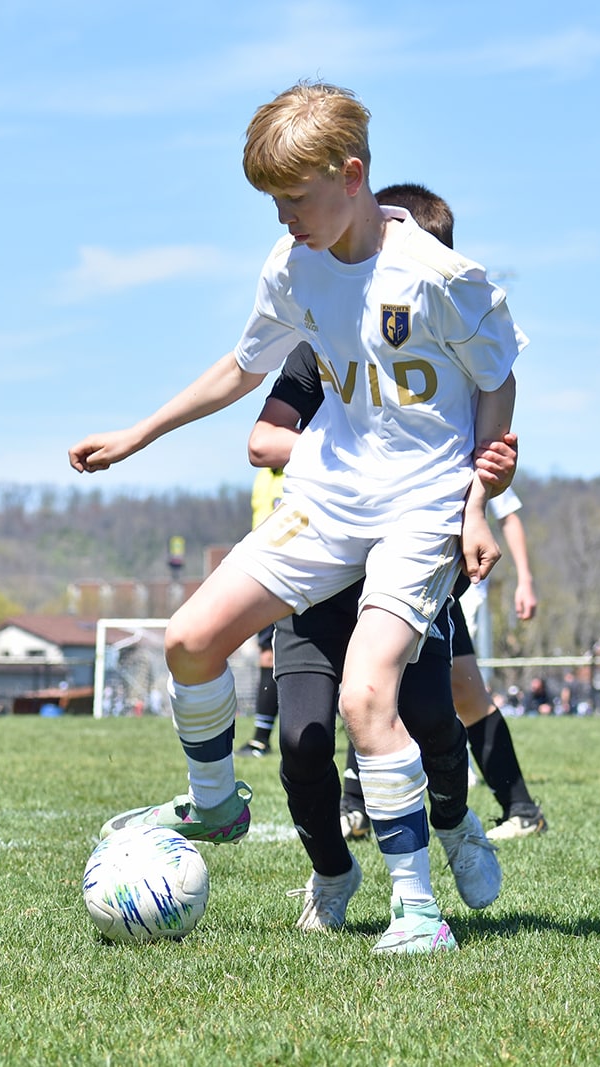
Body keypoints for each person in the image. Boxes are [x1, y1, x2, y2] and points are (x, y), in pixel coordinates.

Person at [72, 81, 522, 954]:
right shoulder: (292, 266)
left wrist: (480, 487)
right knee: (190, 637)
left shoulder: (441, 278)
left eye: (297, 199)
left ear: (352, 176)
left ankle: (418, 911)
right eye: (274, 203)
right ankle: (216, 804)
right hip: (329, 496)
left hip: (419, 507)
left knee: (369, 697)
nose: (285, 219)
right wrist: (138, 433)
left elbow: (498, 378)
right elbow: (243, 367)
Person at [245, 313, 513, 935]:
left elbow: (488, 460)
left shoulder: (446, 360)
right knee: (302, 741)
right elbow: (262, 442)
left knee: (426, 718)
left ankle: (454, 825)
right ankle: (334, 873)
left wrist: (486, 494)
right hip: (316, 568)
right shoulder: (321, 348)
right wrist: (360, 455)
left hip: (406, 563)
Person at [329, 184, 550, 843]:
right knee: (388, 673)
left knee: (427, 680)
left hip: (436, 554)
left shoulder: (460, 371)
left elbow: (498, 485)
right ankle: (364, 801)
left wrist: (498, 528)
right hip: (383, 544)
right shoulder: (376, 357)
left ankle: (506, 805)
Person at [235, 465, 286, 759]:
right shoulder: (263, 476)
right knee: (267, 654)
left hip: (299, 570)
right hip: (266, 571)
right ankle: (260, 739)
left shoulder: (301, 459)